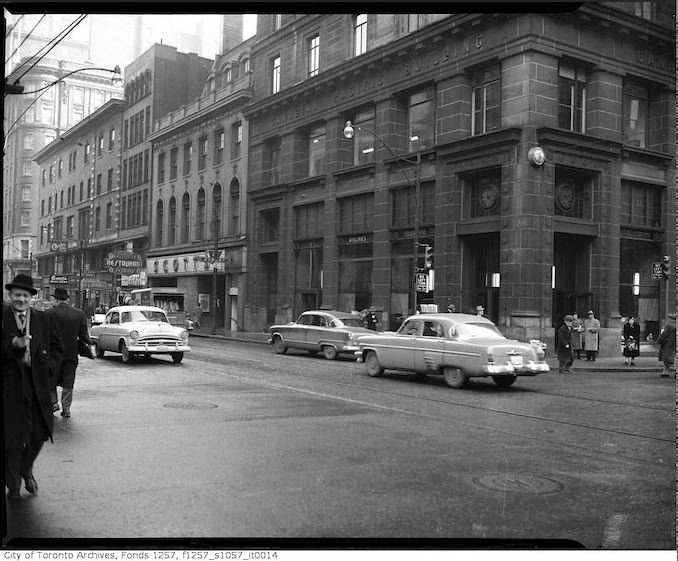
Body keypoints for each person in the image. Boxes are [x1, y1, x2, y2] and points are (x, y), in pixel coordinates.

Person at [2, 274, 63, 500]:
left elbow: (58, 349)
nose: (20, 299)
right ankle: (13, 484)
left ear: (31, 298)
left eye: (25, 295)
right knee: (12, 438)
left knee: (39, 434)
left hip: (37, 386)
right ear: (10, 296)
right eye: (17, 295)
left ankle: (25, 468)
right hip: (10, 388)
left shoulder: (43, 319)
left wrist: (46, 369)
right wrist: (11, 345)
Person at [49, 287, 93, 417]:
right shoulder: (79, 314)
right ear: (67, 299)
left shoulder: (49, 313)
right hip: (71, 354)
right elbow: (84, 335)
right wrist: (91, 344)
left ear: (56, 299)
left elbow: (43, 333)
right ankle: (66, 408)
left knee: (50, 379)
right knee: (68, 381)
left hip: (53, 354)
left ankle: (53, 403)